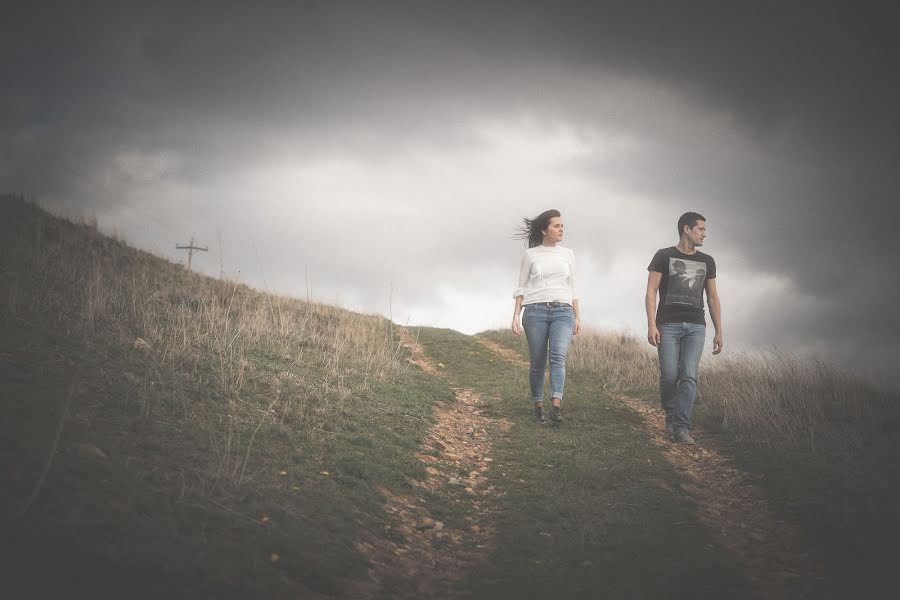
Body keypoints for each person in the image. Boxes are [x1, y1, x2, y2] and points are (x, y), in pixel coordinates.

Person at [645, 212, 723, 444]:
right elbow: (650, 292)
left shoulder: (707, 261)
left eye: (704, 230)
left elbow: (713, 297)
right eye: (700, 229)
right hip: (667, 324)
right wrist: (651, 324)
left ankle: (681, 426)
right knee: (669, 375)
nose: (704, 234)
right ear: (686, 229)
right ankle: (671, 414)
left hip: (696, 326)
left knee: (688, 375)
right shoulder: (663, 256)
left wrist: (719, 330)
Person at [511, 209, 580, 424]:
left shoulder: (568, 254)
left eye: (562, 226)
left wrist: (577, 316)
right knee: (538, 361)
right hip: (535, 311)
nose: (561, 229)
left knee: (558, 355)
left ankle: (556, 406)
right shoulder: (531, 255)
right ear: (544, 229)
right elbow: (521, 286)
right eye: (556, 226)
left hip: (563, 311)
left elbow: (573, 287)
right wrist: (515, 315)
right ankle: (538, 406)